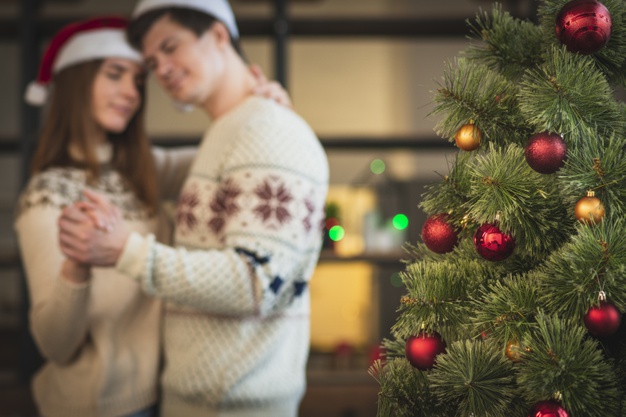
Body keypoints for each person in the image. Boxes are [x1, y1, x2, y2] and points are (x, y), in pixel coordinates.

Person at [57, 1, 329, 416]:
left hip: (235, 404)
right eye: (152, 60)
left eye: (171, 46)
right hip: (205, 398)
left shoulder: (267, 129)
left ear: (219, 35)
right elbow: (143, 167)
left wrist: (125, 251)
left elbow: (257, 282)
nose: (160, 68)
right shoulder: (231, 131)